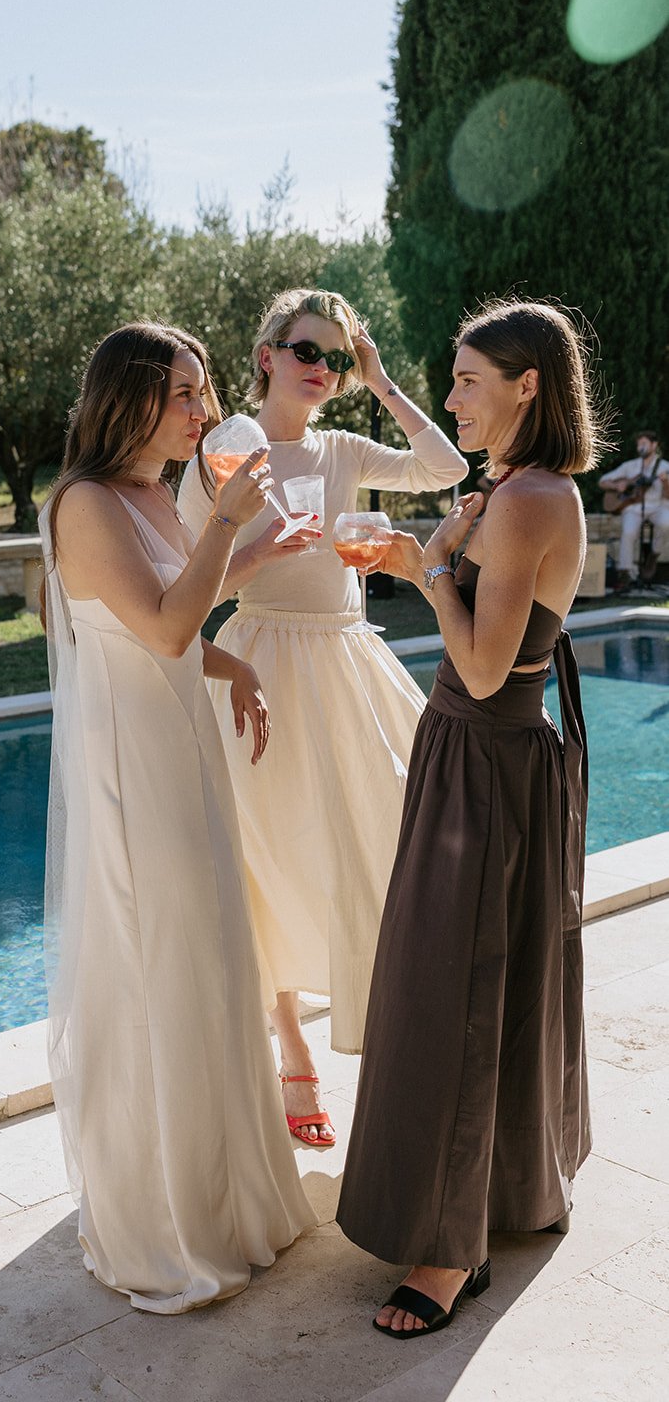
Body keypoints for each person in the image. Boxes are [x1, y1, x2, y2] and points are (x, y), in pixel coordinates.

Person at [337, 298, 603, 1339]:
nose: (451, 397)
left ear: (527, 384)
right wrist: (441, 554)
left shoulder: (534, 497)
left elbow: (486, 663)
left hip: (487, 759)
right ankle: (494, 1197)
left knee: (460, 989)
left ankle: (450, 1251)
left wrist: (425, 569)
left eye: (466, 380)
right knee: (464, 977)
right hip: (475, 756)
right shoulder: (512, 489)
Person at [40, 321, 317, 1314]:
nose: (206, 411)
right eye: (188, 394)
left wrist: (230, 658)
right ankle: (162, 1219)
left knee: (210, 952)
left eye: (203, 392)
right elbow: (157, 628)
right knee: (162, 961)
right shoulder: (83, 503)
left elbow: (169, 614)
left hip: (183, 743)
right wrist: (229, 526)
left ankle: (231, 1197)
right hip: (132, 767)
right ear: (134, 401)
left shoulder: (155, 492)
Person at [177, 288, 465, 1146]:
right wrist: (262, 550)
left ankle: (391, 1032)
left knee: (385, 831)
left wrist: (379, 382)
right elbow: (192, 587)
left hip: (345, 654)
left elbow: (444, 468)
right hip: (258, 656)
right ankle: (291, 1036)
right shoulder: (219, 454)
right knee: (261, 848)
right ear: (266, 354)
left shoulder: (341, 445)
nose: (321, 369)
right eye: (308, 351)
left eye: (335, 357)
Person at [598, 428, 669, 590]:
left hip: (658, 505)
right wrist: (618, 485)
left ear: (654, 445)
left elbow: (668, 496)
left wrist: (665, 483)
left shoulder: (664, 467)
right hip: (634, 506)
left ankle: (653, 555)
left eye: (644, 443)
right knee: (628, 532)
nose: (640, 447)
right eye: (639, 444)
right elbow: (603, 481)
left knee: (667, 523)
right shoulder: (629, 466)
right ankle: (626, 573)